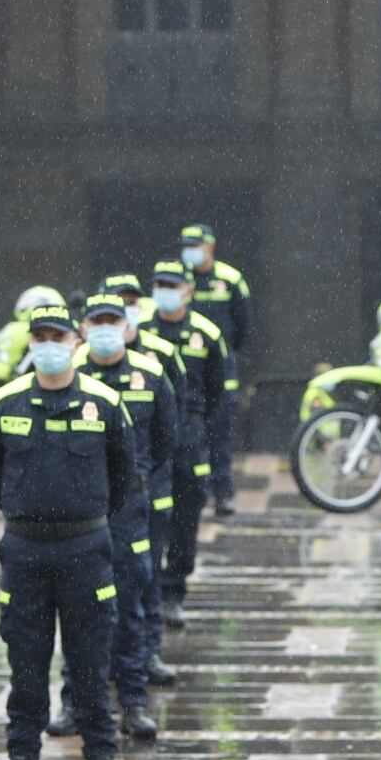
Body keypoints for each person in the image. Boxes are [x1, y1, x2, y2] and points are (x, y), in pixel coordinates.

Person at [0, 304, 135, 760]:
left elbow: (123, 474)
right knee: (25, 662)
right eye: (40, 336)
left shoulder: (105, 401)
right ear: (31, 342)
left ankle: (100, 759)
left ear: (76, 341)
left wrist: (83, 514)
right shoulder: (6, 403)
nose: (49, 344)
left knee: (90, 660)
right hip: (25, 549)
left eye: (58, 335)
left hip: (85, 547)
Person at [71, 291, 176, 744]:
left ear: (127, 325)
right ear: (85, 328)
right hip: (77, 511)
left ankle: (133, 700)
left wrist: (131, 485)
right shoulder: (69, 374)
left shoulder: (151, 373)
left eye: (115, 320)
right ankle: (73, 698)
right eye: (98, 322)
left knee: (129, 602)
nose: (107, 329)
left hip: (130, 507)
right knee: (76, 609)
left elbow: (165, 441)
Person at [106, 271, 189, 686]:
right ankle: (102, 662)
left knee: (146, 572)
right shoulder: (81, 362)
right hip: (96, 501)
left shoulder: (158, 357)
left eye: (131, 302)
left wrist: (144, 474)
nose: (126, 311)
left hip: (147, 490)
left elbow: (170, 427)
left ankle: (148, 653)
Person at [148, 260, 226, 629]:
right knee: (148, 515)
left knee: (186, 512)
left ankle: (174, 590)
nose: (164, 290)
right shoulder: (142, 329)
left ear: (187, 290)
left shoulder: (206, 334)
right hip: (149, 433)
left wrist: (193, 424)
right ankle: (147, 591)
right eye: (159, 284)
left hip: (190, 432)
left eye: (172, 284)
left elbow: (215, 392)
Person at [179, 224, 252, 516]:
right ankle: (192, 493)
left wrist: (225, 354)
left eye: (195, 245)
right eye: (186, 245)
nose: (190, 251)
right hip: (187, 370)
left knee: (219, 432)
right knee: (186, 435)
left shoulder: (230, 279)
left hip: (219, 368)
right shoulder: (178, 280)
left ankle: (222, 492)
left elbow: (243, 324)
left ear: (210, 247)